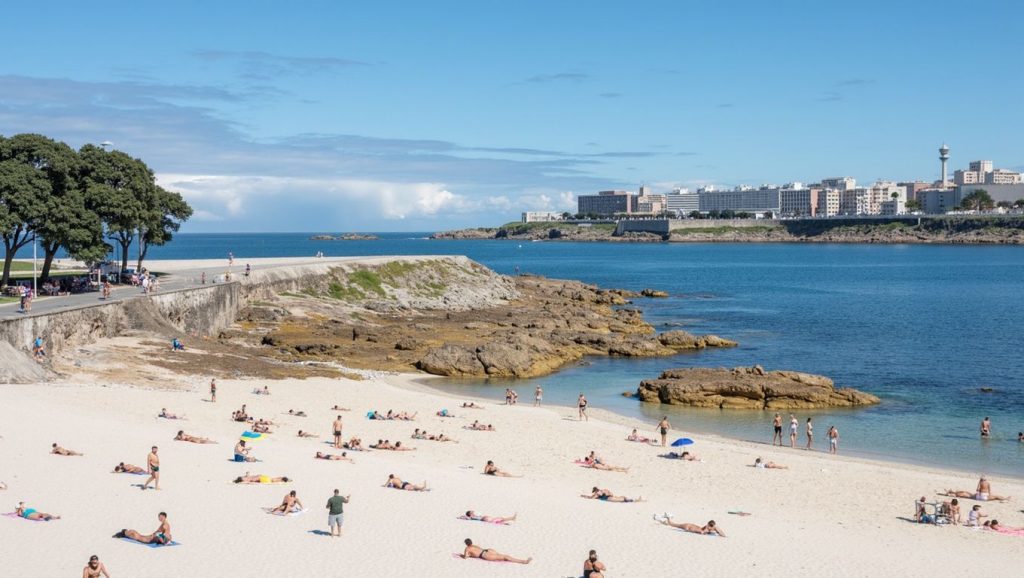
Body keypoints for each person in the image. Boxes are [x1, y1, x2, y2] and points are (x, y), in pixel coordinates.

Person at [460, 538, 532, 564]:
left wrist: (463, 555)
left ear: (466, 544)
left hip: (485, 555)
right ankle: (523, 561)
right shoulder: (474, 545)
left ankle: (523, 562)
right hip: (487, 550)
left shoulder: (467, 549)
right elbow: (479, 549)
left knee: (505, 557)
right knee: (504, 556)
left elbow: (465, 557)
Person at [655, 516, 725, 537]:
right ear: (709, 526)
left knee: (674, 525)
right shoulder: (706, 528)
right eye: (712, 527)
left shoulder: (708, 527)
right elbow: (701, 532)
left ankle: (665, 520)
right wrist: (708, 530)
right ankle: (666, 519)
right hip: (688, 527)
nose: (713, 528)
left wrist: (716, 528)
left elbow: (722, 534)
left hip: (690, 526)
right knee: (674, 525)